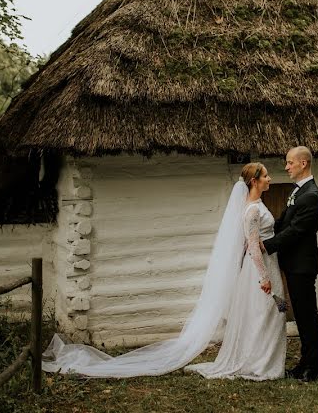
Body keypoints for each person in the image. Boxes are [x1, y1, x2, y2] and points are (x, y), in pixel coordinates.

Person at [41, 163, 286, 380]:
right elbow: (253, 246)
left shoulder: (254, 205)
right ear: (254, 181)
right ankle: (261, 364)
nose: (270, 179)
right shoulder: (252, 210)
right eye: (266, 176)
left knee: (262, 315)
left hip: (264, 266)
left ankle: (260, 360)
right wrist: (264, 277)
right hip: (259, 271)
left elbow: (248, 244)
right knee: (264, 314)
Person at [262, 146, 318, 382]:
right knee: (301, 316)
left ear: (303, 163)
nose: (286, 167)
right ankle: (304, 364)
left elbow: (296, 231)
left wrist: (266, 246)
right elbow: (283, 223)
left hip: (302, 266)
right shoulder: (299, 191)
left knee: (308, 317)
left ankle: (314, 369)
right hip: (294, 265)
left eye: (290, 162)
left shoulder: (311, 195)